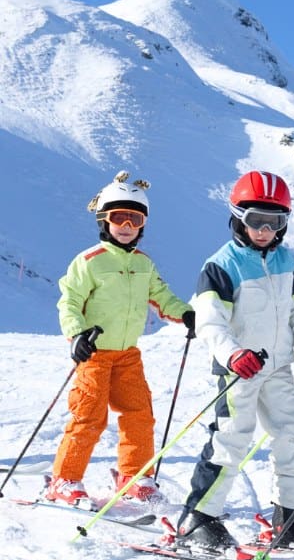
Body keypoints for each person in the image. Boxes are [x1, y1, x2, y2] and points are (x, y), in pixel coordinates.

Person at [177, 170, 294, 557]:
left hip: (278, 369)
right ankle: (198, 519)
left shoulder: (287, 262)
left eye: (275, 222)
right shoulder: (222, 265)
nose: (265, 230)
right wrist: (233, 354)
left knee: (293, 437)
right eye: (257, 220)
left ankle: (291, 519)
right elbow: (210, 321)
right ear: (238, 217)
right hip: (238, 370)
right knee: (231, 439)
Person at [47, 171, 195, 508]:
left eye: (135, 219)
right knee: (89, 416)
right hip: (94, 354)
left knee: (139, 414)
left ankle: (134, 476)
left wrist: (186, 313)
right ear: (104, 220)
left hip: (128, 355)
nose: (126, 225)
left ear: (143, 225)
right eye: (118, 217)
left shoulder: (144, 264)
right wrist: (77, 334)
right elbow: (69, 302)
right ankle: (64, 479)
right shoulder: (89, 262)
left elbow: (162, 296)